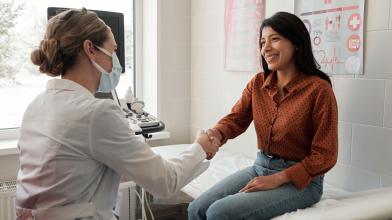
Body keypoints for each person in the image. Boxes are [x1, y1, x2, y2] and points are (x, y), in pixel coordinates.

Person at [15, 8, 218, 220]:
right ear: (90, 49)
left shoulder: (36, 106)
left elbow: (68, 172)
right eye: (113, 51)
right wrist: (200, 147)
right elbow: (165, 182)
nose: (116, 62)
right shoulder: (96, 113)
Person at [188, 11, 338, 220]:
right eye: (262, 41)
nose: (265, 48)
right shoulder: (258, 83)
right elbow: (236, 119)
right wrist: (216, 134)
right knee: (196, 209)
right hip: (260, 167)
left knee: (218, 213)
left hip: (302, 181)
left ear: (296, 43)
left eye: (274, 39)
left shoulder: (318, 90)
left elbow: (326, 154)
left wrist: (279, 178)